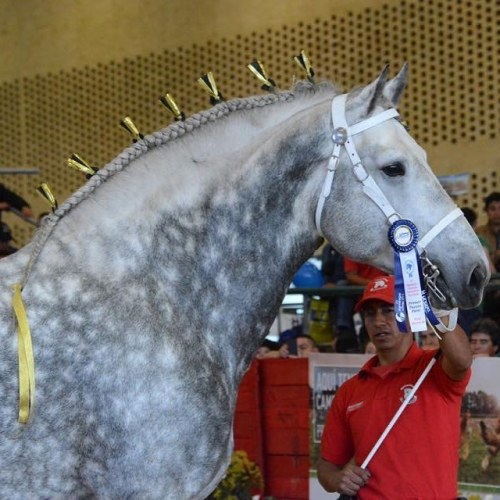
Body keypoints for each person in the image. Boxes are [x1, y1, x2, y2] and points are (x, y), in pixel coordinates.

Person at [317, 275, 472, 499]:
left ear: (412, 314)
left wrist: (434, 308)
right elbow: (327, 465)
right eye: (370, 313)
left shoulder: (434, 367)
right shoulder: (349, 391)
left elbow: (462, 360)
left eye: (389, 310)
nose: (379, 321)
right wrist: (336, 479)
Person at [476, 192, 500, 271]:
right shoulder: (479, 233)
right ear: (486, 211)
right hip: (488, 279)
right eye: (493, 209)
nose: (497, 213)